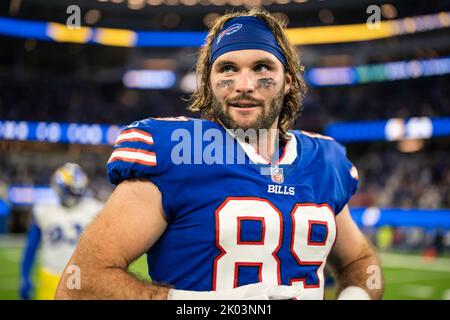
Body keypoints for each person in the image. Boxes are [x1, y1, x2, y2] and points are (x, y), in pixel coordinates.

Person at [56, 9, 383, 300]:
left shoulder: (324, 161)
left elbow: (361, 263)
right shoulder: (177, 151)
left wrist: (355, 295)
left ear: (288, 81)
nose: (243, 84)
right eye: (227, 68)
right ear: (208, 84)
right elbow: (78, 285)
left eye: (261, 67)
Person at [20, 162, 103, 299]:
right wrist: (25, 275)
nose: (70, 195)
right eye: (68, 190)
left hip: (83, 277)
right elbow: (31, 247)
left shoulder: (94, 209)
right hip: (51, 274)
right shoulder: (44, 210)